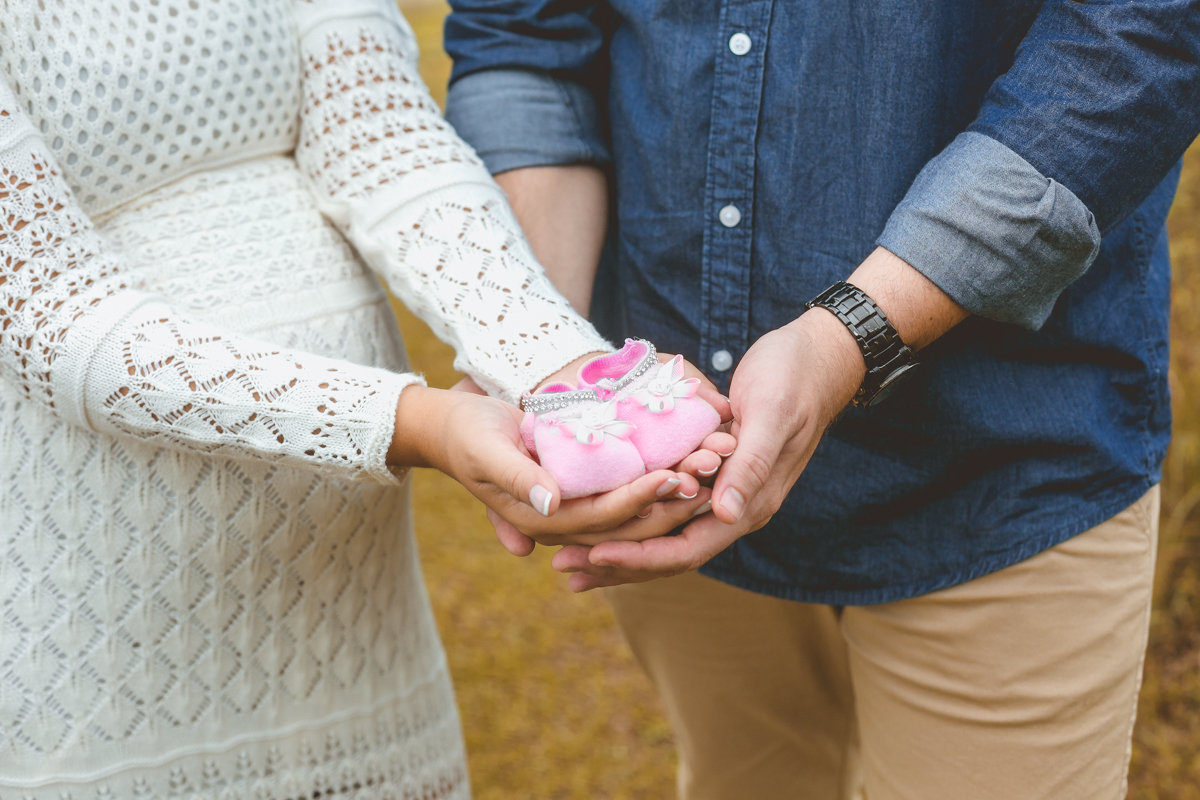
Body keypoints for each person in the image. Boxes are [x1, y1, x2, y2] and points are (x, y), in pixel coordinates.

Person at [442, 1, 1200, 797]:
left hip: (1005, 453)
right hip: (676, 470)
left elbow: (1133, 39)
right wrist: (543, 357)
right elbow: (525, 35)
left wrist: (848, 340)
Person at [0, 1, 727, 797]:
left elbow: (382, 137)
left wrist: (556, 365)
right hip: (96, 592)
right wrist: (411, 423)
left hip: (347, 595)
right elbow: (53, 315)